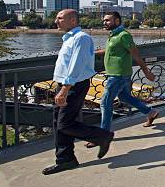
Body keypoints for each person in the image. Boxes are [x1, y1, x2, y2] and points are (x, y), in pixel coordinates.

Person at [42, 9, 114, 175]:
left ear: (73, 20)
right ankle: (65, 159)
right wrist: (60, 87)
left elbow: (76, 66)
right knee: (58, 123)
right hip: (65, 85)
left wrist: (65, 89)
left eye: (60, 18)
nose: (56, 21)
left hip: (74, 86)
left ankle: (102, 136)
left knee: (65, 124)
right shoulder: (69, 38)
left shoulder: (81, 38)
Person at [90, 12, 158, 146]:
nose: (104, 23)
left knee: (105, 103)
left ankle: (104, 135)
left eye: (107, 20)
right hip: (119, 75)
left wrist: (145, 70)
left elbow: (135, 53)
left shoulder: (124, 35)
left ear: (117, 21)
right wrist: (93, 53)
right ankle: (151, 112)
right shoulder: (114, 35)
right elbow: (111, 50)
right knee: (125, 98)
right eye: (104, 20)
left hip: (118, 75)